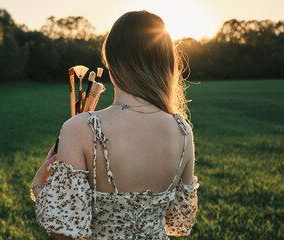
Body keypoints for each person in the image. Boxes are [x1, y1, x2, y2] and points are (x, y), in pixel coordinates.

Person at [31, 10, 199, 240]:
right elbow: (178, 220)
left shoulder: (79, 128)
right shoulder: (182, 131)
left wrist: (41, 190)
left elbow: (64, 235)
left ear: (111, 64)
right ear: (167, 66)